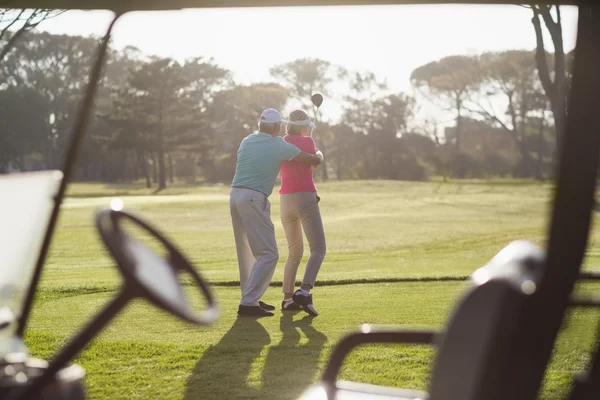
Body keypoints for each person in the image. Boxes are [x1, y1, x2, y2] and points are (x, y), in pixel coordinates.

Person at [230, 108, 322, 317]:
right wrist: (317, 152)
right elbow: (314, 161)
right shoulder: (278, 145)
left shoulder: (247, 140)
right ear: (273, 126)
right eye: (278, 125)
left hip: (235, 195)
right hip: (253, 198)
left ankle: (251, 299)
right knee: (269, 254)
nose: (281, 127)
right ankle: (248, 302)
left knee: (247, 251)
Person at [279, 109, 326, 317]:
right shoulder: (307, 142)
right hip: (305, 197)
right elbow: (317, 161)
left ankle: (288, 299)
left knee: (294, 251)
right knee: (318, 249)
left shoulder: (280, 142)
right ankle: (304, 291)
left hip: (285, 199)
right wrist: (318, 152)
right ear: (303, 126)